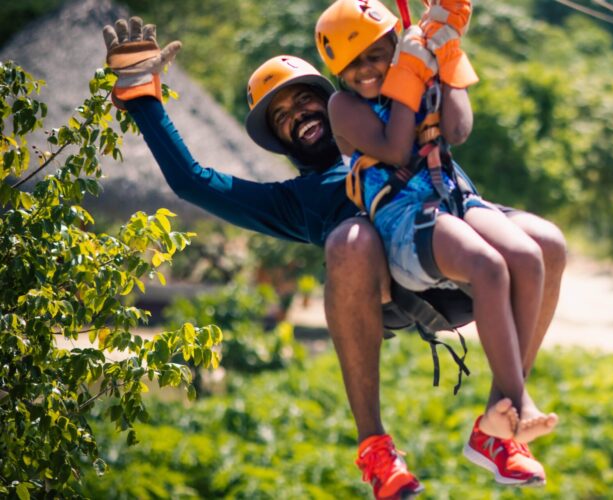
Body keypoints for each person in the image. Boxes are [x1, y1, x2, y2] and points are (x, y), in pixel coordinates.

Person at [102, 13, 565, 498]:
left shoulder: (386, 107)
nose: (298, 115)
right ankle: (375, 446)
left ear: (329, 99)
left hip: (457, 233)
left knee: (547, 242)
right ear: (279, 140)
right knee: (351, 239)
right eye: (282, 117)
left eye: (305, 101)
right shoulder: (293, 200)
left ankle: (502, 422)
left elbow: (396, 57)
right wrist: (144, 101)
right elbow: (193, 181)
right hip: (389, 280)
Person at [317, 0, 560, 465]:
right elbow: (393, 147)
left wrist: (444, 57)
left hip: (453, 197)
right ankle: (517, 403)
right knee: (487, 266)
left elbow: (458, 129)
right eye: (354, 65)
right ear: (339, 73)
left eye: (376, 55)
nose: (367, 71)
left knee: (529, 256)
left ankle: (498, 412)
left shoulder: (418, 73)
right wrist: (406, 73)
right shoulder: (343, 106)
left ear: (393, 45)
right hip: (402, 220)